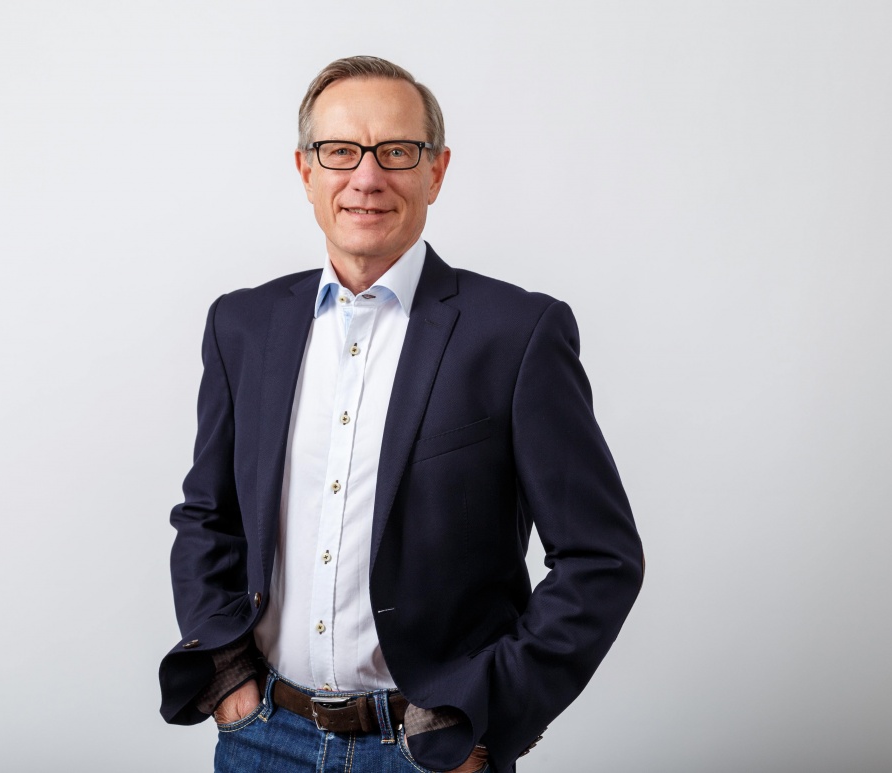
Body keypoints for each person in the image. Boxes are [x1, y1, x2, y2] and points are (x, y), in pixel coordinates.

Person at [159, 56, 644, 773]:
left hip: (428, 752)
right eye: (339, 152)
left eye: (396, 152)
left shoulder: (516, 335)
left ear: (435, 172)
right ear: (305, 171)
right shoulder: (243, 325)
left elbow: (601, 559)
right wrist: (231, 682)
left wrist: (486, 718)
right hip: (263, 738)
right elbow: (208, 516)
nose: (366, 176)